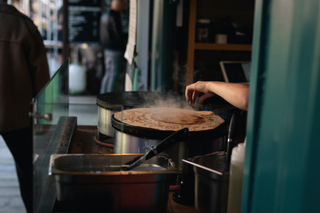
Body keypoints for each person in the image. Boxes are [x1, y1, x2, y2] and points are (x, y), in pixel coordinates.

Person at [0, 1, 50, 212]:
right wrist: (45, 119)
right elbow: (42, 83)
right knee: (28, 172)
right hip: (17, 115)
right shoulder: (23, 26)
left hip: (17, 114)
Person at [100, 0, 126, 93]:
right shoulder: (115, 16)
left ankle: (103, 95)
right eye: (123, 5)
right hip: (115, 50)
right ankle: (109, 98)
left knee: (108, 73)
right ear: (118, 6)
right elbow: (118, 34)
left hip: (107, 49)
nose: (124, 7)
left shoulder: (104, 15)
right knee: (113, 74)